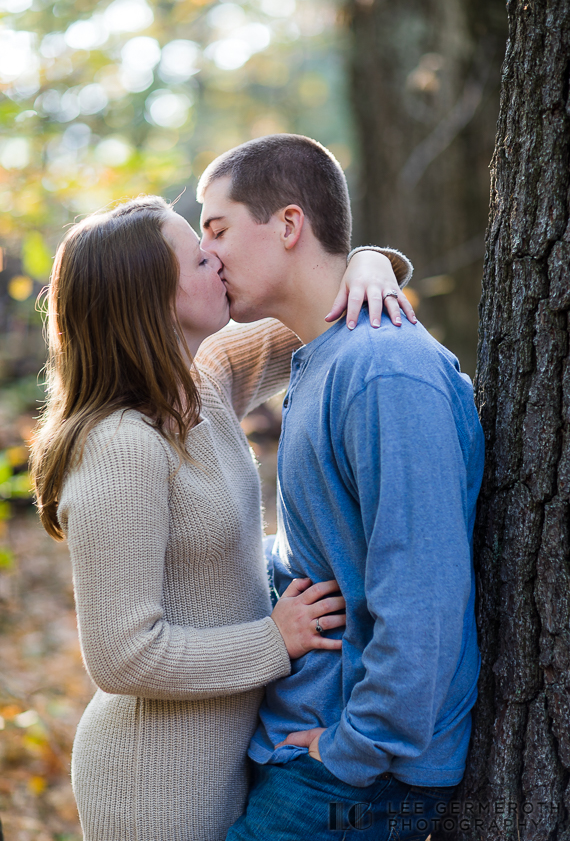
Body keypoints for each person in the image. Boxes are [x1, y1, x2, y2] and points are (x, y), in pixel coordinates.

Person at [30, 193, 412, 841]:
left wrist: (371, 261)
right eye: (199, 258)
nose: (219, 262)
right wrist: (275, 638)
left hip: (227, 755)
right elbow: (122, 656)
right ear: (152, 299)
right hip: (153, 779)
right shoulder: (119, 444)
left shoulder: (201, 380)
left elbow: (316, 300)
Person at [196, 134, 486, 841]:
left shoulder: (383, 369)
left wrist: (354, 747)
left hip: (356, 774)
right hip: (311, 746)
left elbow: (424, 591)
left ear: (289, 224)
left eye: (218, 229)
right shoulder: (322, 358)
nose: (209, 256)